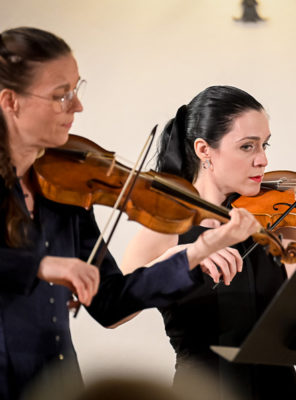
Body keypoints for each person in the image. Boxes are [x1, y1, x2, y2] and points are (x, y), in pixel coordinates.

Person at [0, 28, 261, 400]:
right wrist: (40, 266)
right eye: (61, 95)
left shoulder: (66, 190)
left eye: (77, 89)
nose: (77, 107)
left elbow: (110, 303)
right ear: (11, 101)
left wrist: (198, 252)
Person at [122, 85, 296, 399]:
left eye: (264, 145)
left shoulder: (284, 224)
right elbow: (114, 310)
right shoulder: (165, 227)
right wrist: (180, 256)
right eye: (247, 147)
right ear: (204, 150)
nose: (263, 159)